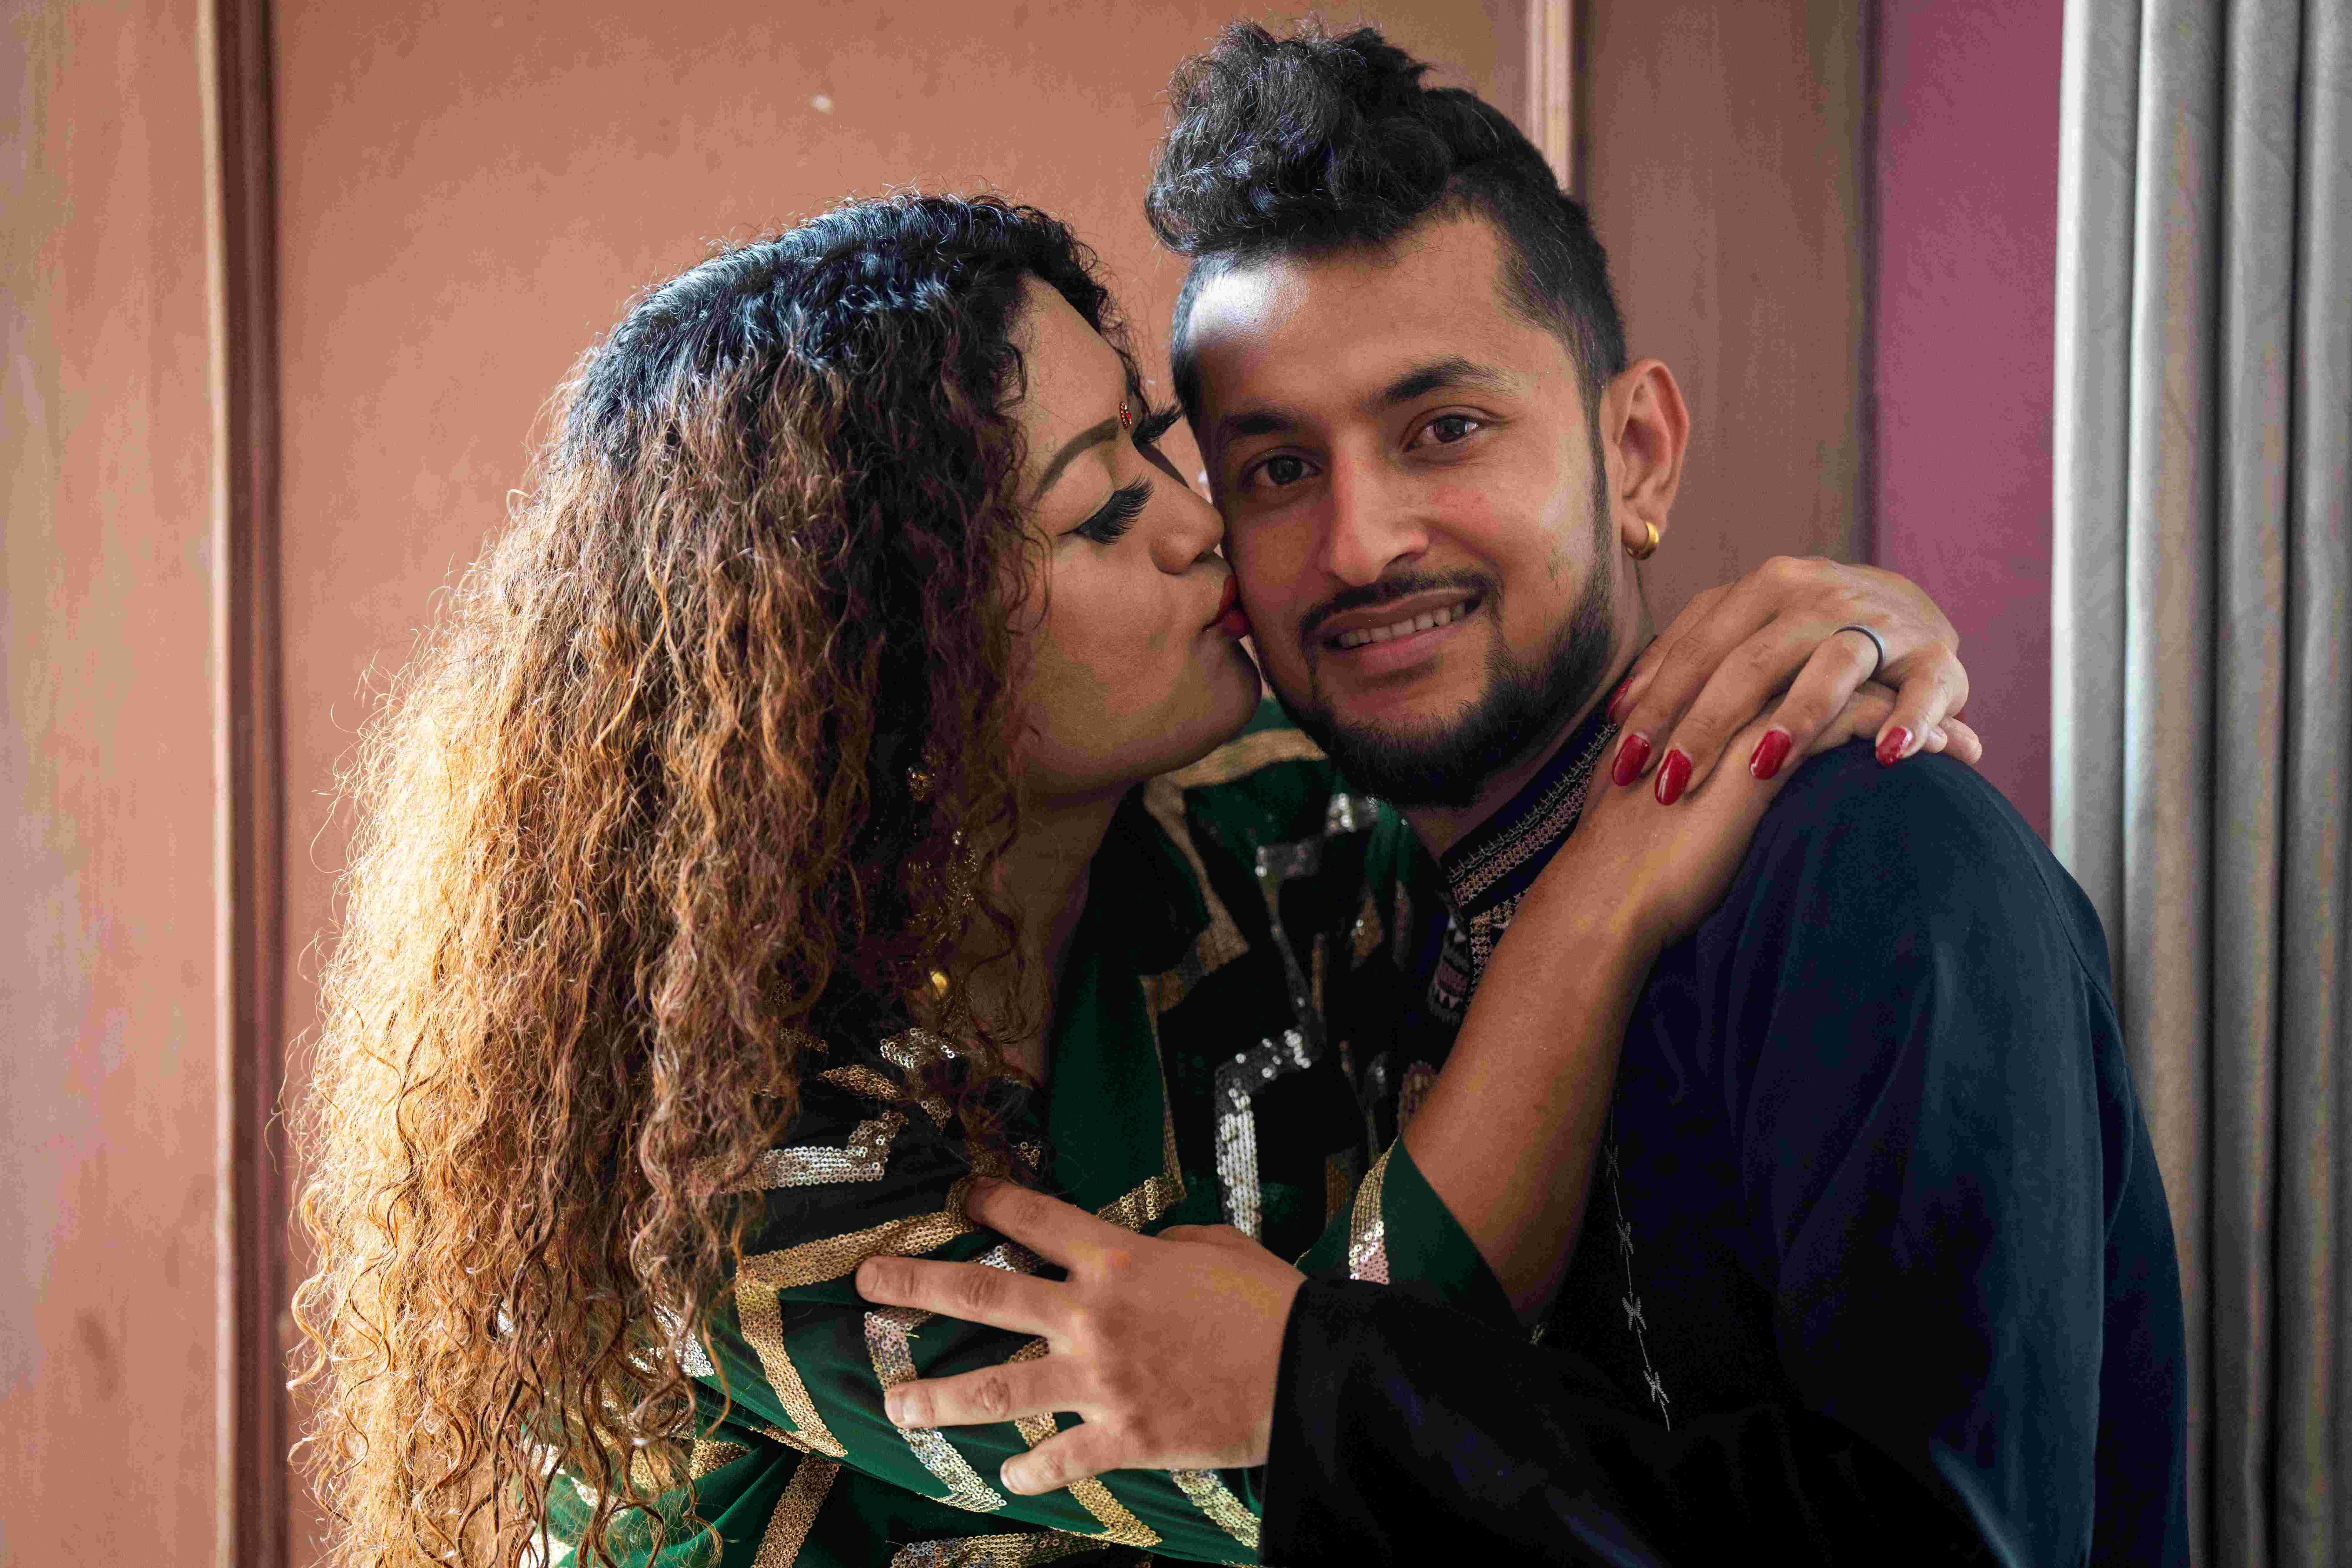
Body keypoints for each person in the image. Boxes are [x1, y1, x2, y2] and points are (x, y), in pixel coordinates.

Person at [290, 191, 1977, 1568]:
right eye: (1107, 513)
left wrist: (1843, 638)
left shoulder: (1267, 830)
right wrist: (1609, 894)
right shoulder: (726, 1161)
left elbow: (1534, 755)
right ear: (884, 672)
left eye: (1162, 453)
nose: (1203, 528)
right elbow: (1350, 1434)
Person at [861, 24, 2188, 1568]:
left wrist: (1306, 1385)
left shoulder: (1880, 863)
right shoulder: (1332, 903)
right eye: (1279, 469)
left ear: (1637, 454)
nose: (1362, 545)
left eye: (1446, 430)